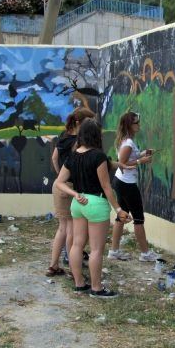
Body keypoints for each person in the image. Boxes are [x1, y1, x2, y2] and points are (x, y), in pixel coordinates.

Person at [55, 119, 130, 298]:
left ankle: (79, 284)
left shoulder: (72, 156)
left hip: (78, 204)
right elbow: (106, 186)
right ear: (96, 135)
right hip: (96, 203)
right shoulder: (98, 156)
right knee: (96, 249)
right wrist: (119, 209)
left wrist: (74, 194)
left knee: (77, 244)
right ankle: (96, 288)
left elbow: (59, 182)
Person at [46, 107, 94, 277]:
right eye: (89, 122)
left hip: (59, 186)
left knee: (63, 228)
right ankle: (74, 270)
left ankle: (53, 266)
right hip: (71, 187)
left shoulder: (63, 136)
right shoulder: (79, 142)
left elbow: (54, 158)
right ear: (80, 123)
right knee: (72, 230)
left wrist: (61, 177)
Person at [108, 112, 160, 262]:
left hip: (121, 182)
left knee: (121, 217)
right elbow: (122, 163)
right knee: (138, 218)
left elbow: (129, 157)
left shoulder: (126, 140)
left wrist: (143, 153)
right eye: (136, 122)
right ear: (129, 125)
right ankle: (145, 254)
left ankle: (114, 251)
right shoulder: (128, 143)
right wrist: (140, 161)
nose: (138, 125)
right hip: (127, 184)